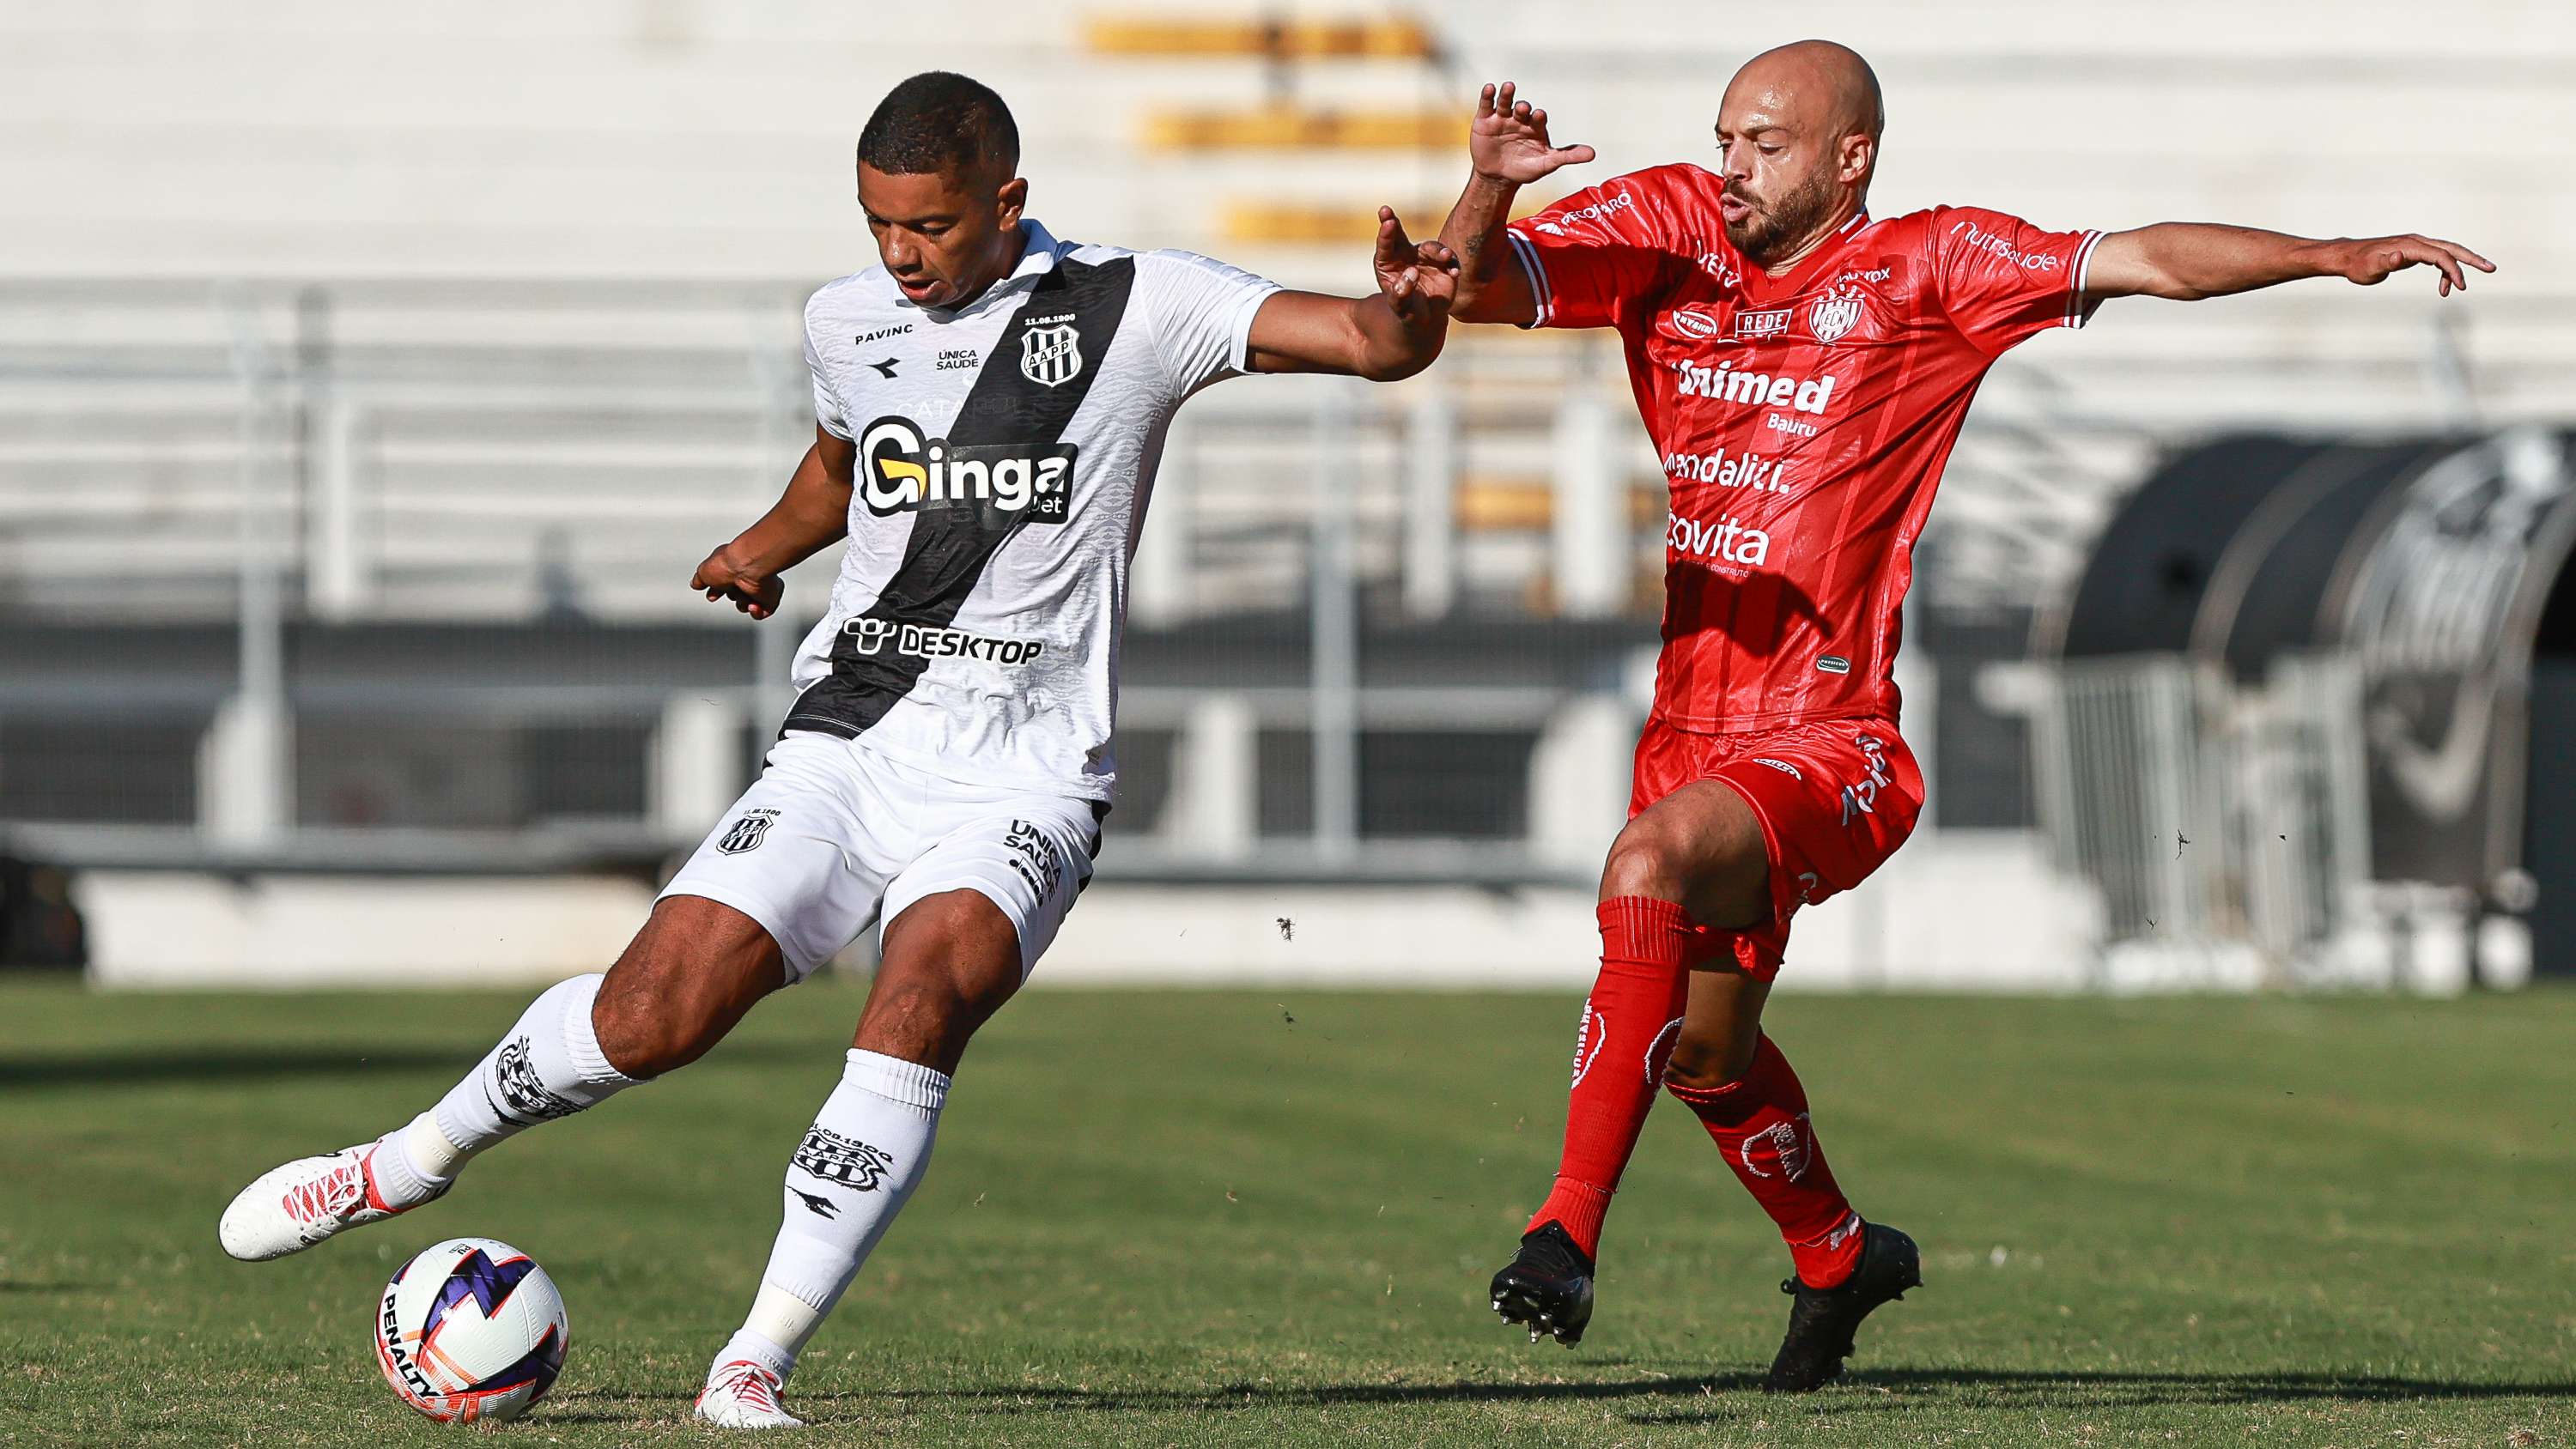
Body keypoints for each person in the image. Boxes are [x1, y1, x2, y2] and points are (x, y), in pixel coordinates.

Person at [216, 70, 1461, 1429]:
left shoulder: (1137, 305)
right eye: (878, 224)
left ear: (1007, 200)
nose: (900, 255)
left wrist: (1434, 270)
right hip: (851, 738)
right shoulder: (847, 320)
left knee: (914, 1007)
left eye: (929, 226)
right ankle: (402, 1164)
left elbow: (1376, 344)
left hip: (1026, 771)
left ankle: (752, 1360)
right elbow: (845, 463)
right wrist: (761, 546)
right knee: (652, 1015)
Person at [1432, 46, 2491, 1391]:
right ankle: (1839, 1255)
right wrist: (1487, 189)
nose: (1732, 166)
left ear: (1849, 159)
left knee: (1644, 864)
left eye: (1765, 145)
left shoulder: (1928, 270)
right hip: (1687, 731)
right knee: (1701, 1053)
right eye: (1725, 137)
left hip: (1832, 739)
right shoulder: (1674, 228)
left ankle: (1563, 1235)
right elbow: (1472, 288)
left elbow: (2144, 259)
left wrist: (2333, 256)